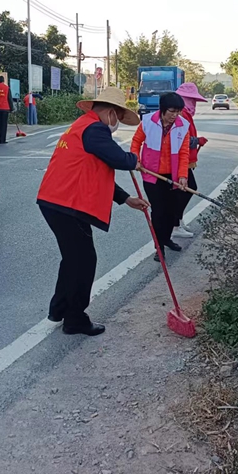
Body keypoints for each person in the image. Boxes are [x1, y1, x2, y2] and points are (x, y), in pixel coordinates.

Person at [36, 88, 149, 336]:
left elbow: (95, 170)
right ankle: (75, 319)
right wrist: (134, 160)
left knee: (74, 258)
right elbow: (118, 159)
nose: (117, 124)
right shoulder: (95, 129)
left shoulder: (82, 126)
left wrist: (125, 198)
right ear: (110, 113)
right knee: (84, 261)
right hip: (66, 203)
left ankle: (60, 308)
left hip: (56, 200)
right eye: (118, 118)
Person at [131, 92, 191, 259]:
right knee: (158, 212)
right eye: (171, 111)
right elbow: (136, 142)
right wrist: (135, 159)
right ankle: (159, 247)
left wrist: (183, 176)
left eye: (178, 111)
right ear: (162, 109)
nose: (175, 115)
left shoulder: (183, 125)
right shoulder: (148, 121)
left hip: (172, 176)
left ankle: (166, 239)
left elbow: (184, 153)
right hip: (151, 175)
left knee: (172, 212)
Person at [171, 82, 209, 239]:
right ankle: (174, 224)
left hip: (185, 159)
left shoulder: (185, 114)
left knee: (183, 190)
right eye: (191, 100)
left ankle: (177, 221)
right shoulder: (181, 115)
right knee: (186, 189)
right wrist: (197, 141)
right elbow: (180, 140)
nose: (194, 104)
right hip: (180, 160)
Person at [0, 76, 14, 143]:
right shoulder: (7, 88)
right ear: (3, 81)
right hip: (5, 108)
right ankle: (3, 139)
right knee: (4, 124)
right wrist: (11, 108)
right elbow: (9, 98)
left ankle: (0, 136)